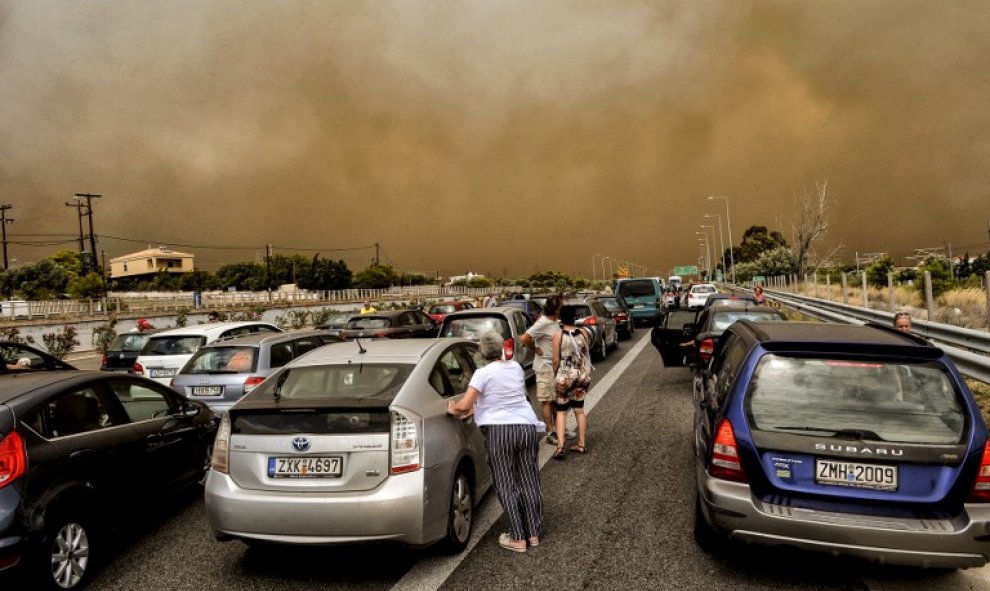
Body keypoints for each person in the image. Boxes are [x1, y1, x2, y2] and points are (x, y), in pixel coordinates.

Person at [447, 331, 544, 553]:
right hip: (526, 427)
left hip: (500, 431)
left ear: (481, 353)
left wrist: (453, 408)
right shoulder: (516, 367)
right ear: (502, 348)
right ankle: (534, 532)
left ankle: (518, 537)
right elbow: (505, 395)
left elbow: (464, 405)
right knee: (529, 480)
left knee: (505, 483)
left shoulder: (482, 373)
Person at [551, 305, 593, 460]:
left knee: (561, 411)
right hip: (581, 376)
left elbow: (555, 360)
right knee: (579, 409)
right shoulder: (583, 333)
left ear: (561, 317)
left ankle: (560, 446)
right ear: (575, 317)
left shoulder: (558, 335)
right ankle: (581, 444)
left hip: (564, 376)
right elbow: (586, 353)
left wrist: (555, 375)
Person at [521, 294, 562, 445]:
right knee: (547, 400)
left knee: (556, 400)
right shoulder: (543, 322)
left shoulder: (554, 322)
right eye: (560, 306)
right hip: (544, 367)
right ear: (555, 308)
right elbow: (525, 338)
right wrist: (535, 349)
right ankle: (550, 432)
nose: (562, 308)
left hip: (555, 367)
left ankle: (559, 429)